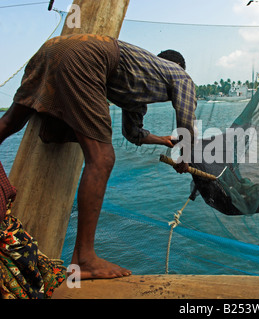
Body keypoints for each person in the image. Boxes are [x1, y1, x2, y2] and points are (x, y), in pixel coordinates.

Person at [0, 34, 197, 280]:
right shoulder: (181, 75)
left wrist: (164, 140)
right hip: (86, 58)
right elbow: (187, 122)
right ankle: (84, 258)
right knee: (102, 159)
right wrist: (184, 158)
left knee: (10, 122)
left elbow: (133, 133)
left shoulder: (137, 82)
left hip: (51, 49)